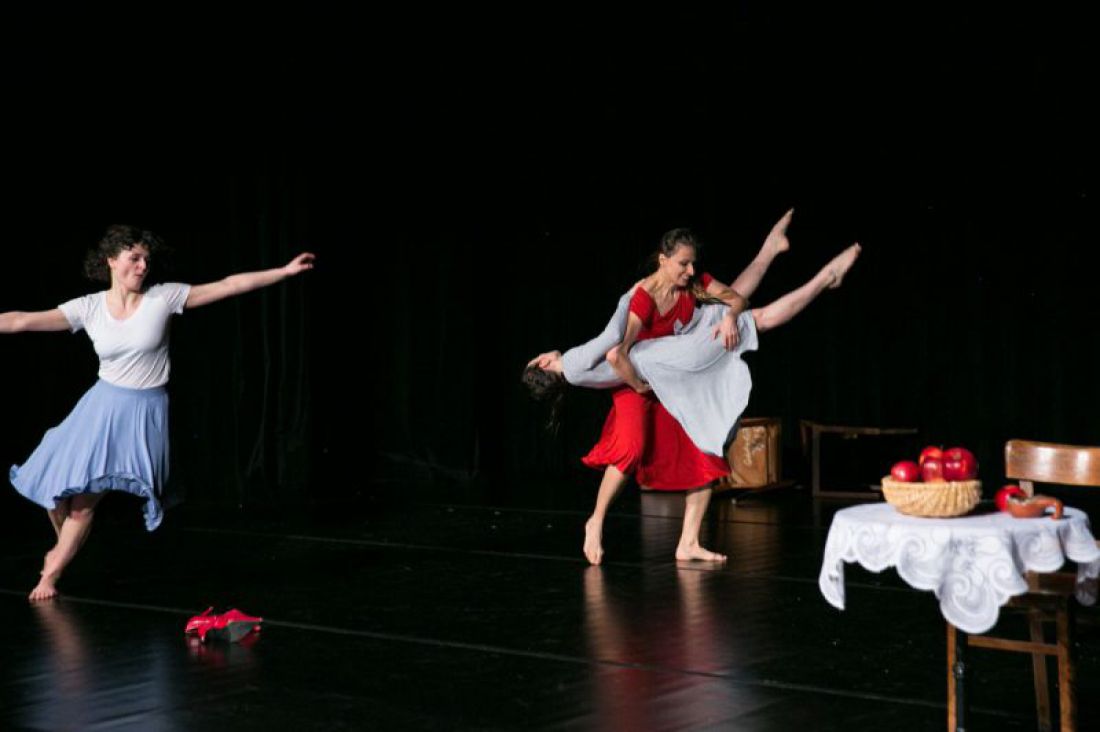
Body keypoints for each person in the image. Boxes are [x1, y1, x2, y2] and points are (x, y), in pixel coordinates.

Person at [526, 211, 860, 565]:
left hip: (675, 363)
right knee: (630, 448)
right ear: (663, 260)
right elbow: (613, 352)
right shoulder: (634, 304)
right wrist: (639, 384)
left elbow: (735, 297)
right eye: (683, 264)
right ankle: (596, 520)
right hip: (643, 376)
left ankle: (688, 542)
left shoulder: (689, 282)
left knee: (707, 444)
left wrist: (729, 316)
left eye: (692, 264)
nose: (690, 270)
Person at [1, 224, 315, 601]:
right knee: (55, 490)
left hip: (141, 413)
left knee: (83, 504)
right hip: (98, 408)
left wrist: (284, 271)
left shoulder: (163, 298)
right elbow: (20, 320)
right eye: (134, 258)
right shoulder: (89, 307)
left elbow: (229, 285)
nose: (142, 266)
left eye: (146, 260)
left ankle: (50, 575)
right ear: (111, 261)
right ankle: (62, 546)